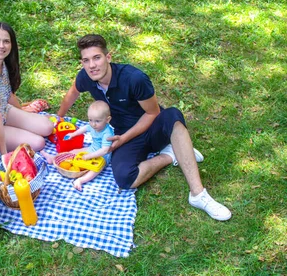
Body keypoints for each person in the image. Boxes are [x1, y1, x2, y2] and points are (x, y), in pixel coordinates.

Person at [57, 34, 232, 221]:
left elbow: (152, 113)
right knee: (125, 178)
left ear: (108, 57)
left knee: (173, 115)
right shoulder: (86, 77)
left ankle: (198, 194)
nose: (92, 65)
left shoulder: (134, 78)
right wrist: (58, 117)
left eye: (97, 58)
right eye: (86, 60)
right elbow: (74, 91)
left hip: (152, 126)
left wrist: (124, 138)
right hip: (124, 135)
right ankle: (171, 155)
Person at [0, 22, 54, 152]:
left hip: (4, 112)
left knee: (47, 127)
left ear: (12, 45)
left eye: (6, 41)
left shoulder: (3, 65)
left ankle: (17, 129)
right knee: (38, 143)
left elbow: (8, 94)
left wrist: (22, 114)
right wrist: (4, 153)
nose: (1, 46)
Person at [42, 100, 114, 191]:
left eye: (97, 121)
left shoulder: (107, 133)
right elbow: (84, 128)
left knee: (95, 170)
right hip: (92, 148)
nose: (93, 124)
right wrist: (73, 134)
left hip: (102, 156)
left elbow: (104, 150)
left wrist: (89, 156)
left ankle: (80, 180)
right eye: (90, 120)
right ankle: (54, 157)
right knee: (74, 152)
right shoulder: (93, 125)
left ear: (107, 120)